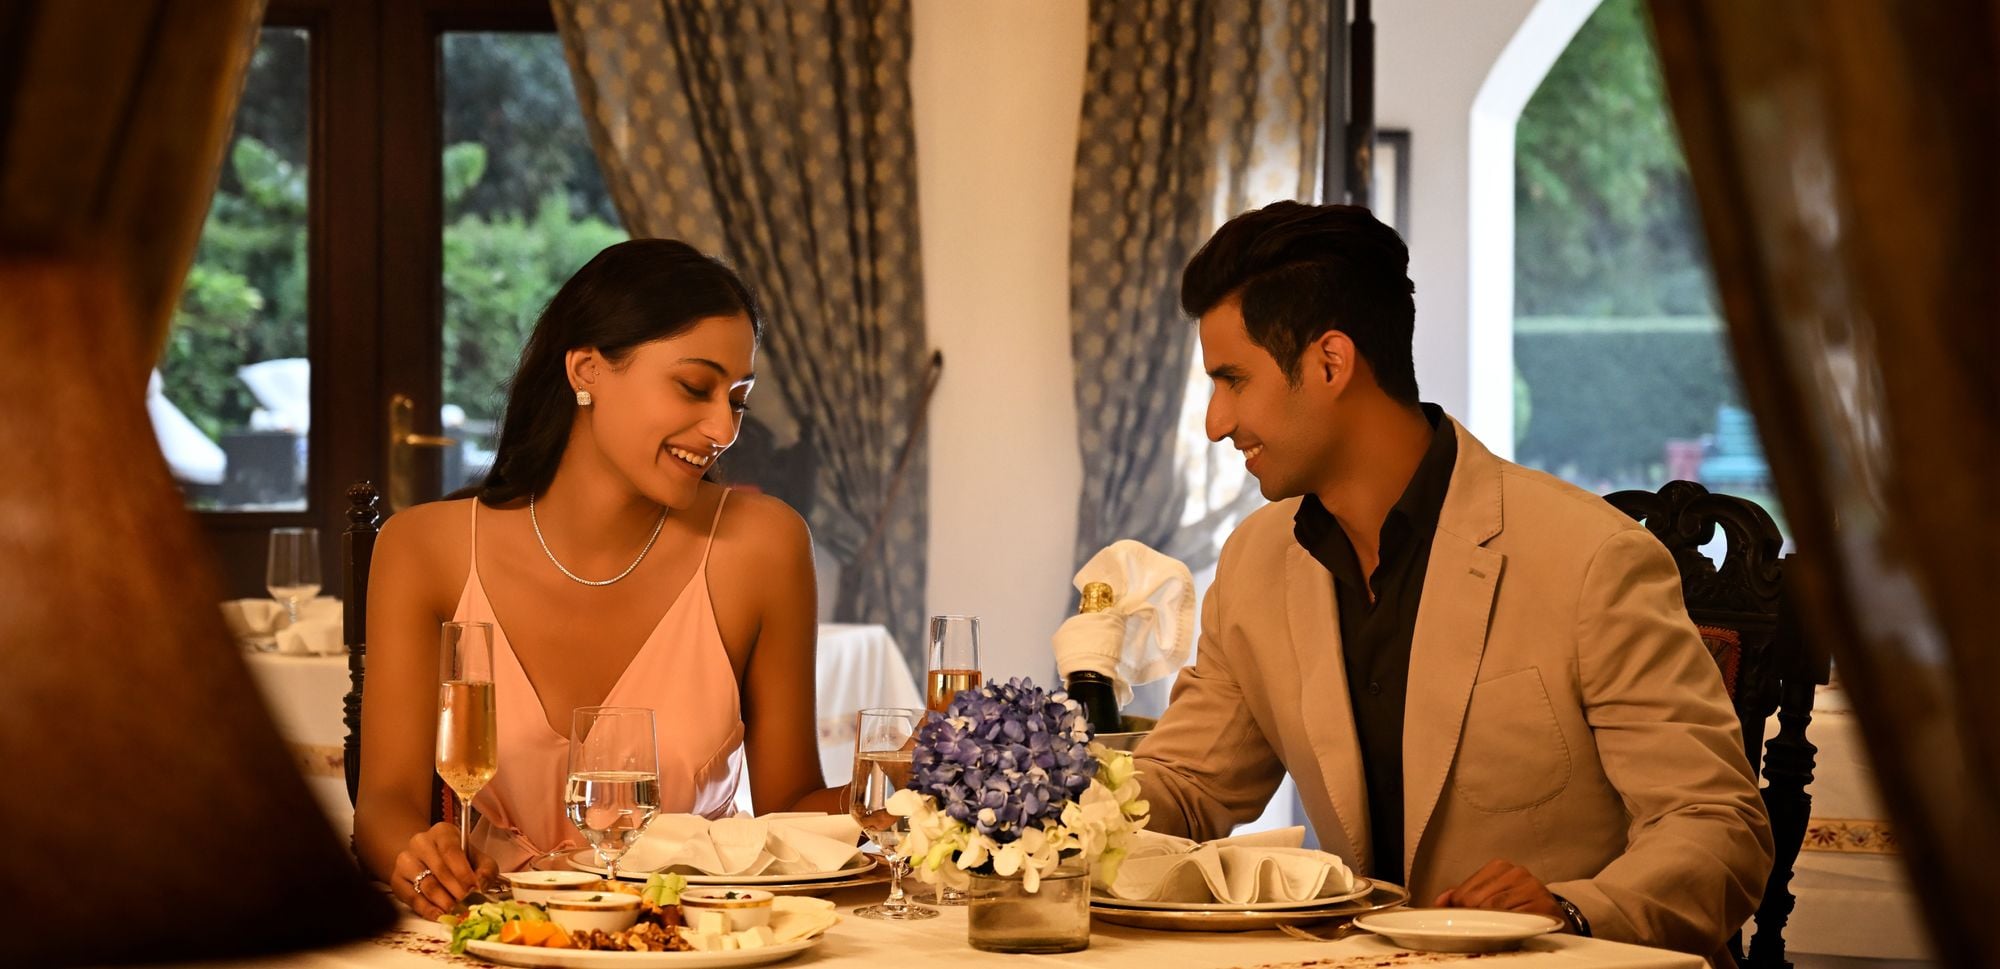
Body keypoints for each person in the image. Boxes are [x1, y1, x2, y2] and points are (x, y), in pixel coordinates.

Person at [1132, 201, 1773, 958]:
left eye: (1233, 379)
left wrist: (1571, 908)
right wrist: (1034, 809)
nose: (1214, 421)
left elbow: (1717, 825)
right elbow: (1186, 783)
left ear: (1330, 363)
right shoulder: (1255, 561)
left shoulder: (1590, 559)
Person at [353, 240, 837, 919]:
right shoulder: (423, 549)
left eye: (738, 400)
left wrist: (916, 784)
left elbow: (793, 808)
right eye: (695, 387)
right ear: (586, 369)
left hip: (685, 943)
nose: (724, 428)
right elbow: (384, 804)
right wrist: (419, 856)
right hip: (496, 937)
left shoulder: (763, 548)